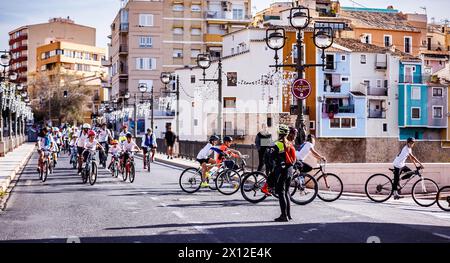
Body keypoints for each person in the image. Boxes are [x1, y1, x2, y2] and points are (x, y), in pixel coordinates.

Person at [271, 125, 297, 222]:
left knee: (281, 193)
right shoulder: (290, 144)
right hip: (290, 170)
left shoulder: (277, 144)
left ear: (279, 133)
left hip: (281, 171)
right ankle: (288, 215)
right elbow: (294, 159)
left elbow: (271, 158)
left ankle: (283, 216)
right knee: (286, 192)